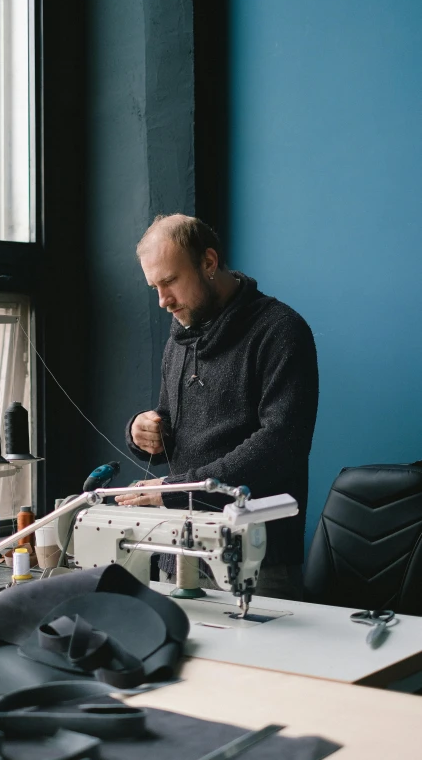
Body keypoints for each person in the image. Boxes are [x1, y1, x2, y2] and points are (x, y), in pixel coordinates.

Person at [117, 214, 319, 600]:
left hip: (257, 562)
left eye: (170, 281)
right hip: (178, 554)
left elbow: (281, 445)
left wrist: (174, 490)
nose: (162, 301)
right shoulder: (180, 340)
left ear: (209, 262)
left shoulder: (281, 331)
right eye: (154, 287)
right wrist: (142, 430)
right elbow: (169, 429)